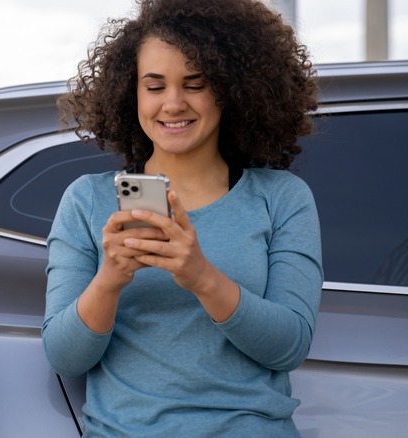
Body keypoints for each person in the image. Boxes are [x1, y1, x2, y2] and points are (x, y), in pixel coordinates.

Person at [43, 0, 323, 436]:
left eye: (195, 84)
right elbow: (65, 358)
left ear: (231, 89)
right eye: (154, 86)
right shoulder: (87, 200)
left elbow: (288, 347)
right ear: (131, 92)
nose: (173, 104)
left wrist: (200, 275)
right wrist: (110, 278)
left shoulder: (282, 198)